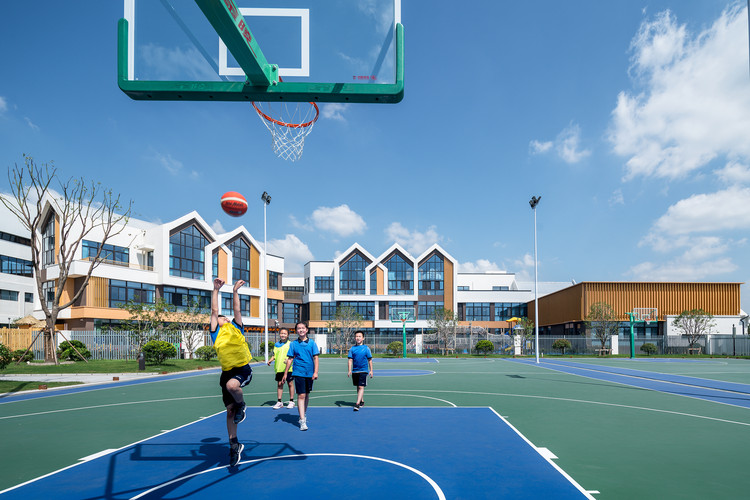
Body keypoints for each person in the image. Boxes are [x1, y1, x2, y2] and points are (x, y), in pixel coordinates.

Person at [210, 278, 253, 467]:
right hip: (226, 371)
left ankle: (242, 405)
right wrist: (215, 290)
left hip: (242, 369)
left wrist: (235, 291)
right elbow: (213, 311)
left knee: (232, 385)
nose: (222, 318)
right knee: (229, 411)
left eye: (224, 317)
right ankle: (234, 445)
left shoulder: (236, 327)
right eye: (220, 317)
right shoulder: (215, 332)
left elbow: (237, 310)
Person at [282, 321, 319, 431]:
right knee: (301, 395)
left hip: (309, 373)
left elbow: (316, 358)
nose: (301, 330)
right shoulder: (293, 344)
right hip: (298, 372)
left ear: (307, 330)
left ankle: (303, 413)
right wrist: (285, 373)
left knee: (306, 394)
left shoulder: (312, 343)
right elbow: (290, 359)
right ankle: (302, 420)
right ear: (296, 331)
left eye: (303, 328)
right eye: (299, 328)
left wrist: (315, 372)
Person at [267, 327, 295, 409]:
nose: (283, 335)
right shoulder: (276, 345)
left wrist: (289, 361)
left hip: (289, 368)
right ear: (279, 334)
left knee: (290, 383)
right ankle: (279, 402)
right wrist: (270, 360)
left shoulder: (291, 344)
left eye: (285, 333)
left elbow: (294, 355)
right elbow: (274, 355)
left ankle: (291, 401)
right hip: (279, 368)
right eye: (281, 333)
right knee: (280, 384)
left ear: (288, 335)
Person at [347, 330, 373, 411]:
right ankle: (361, 401)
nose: (358, 338)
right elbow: (350, 360)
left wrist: (371, 370)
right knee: (358, 387)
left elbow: (370, 360)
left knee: (361, 386)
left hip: (363, 370)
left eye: (359, 336)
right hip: (355, 371)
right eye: (356, 336)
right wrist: (349, 370)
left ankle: (357, 404)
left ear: (363, 338)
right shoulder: (352, 349)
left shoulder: (366, 348)